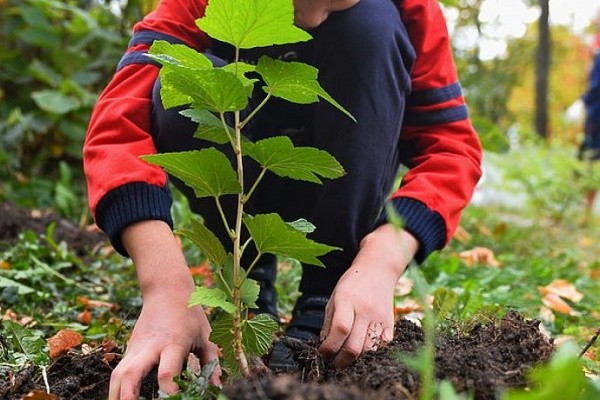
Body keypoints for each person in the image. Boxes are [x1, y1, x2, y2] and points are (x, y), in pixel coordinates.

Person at [83, 0, 482, 399]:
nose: (312, 20)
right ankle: (244, 285)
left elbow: (451, 149)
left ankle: (328, 294)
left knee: (372, 24)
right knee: (186, 77)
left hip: (344, 178)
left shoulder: (412, 7)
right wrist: (164, 286)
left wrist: (383, 257)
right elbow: (117, 129)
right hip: (236, 180)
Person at [580, 33, 600, 215]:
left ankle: (586, 210)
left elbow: (595, 87)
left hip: (597, 117)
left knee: (592, 161)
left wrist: (583, 101)